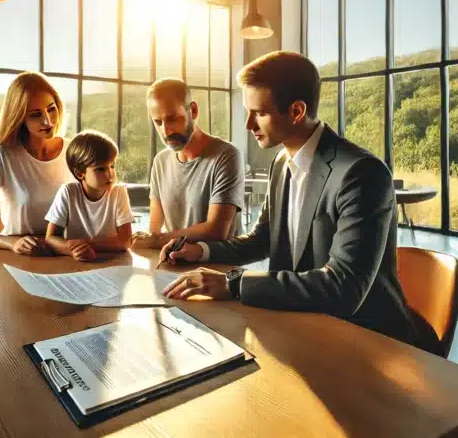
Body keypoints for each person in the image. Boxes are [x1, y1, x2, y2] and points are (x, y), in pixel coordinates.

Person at [159, 51, 417, 346]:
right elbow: (262, 240)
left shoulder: (361, 174)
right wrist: (201, 251)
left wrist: (232, 283)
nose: (248, 125)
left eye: (259, 113)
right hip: (299, 325)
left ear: (296, 111)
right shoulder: (281, 162)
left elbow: (343, 288)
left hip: (367, 340)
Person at [0, 72, 73, 255]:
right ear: (20, 117)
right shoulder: (2, 156)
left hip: (67, 256)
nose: (47, 121)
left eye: (51, 109)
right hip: (20, 259)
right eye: (35, 115)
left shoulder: (73, 151)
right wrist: (12, 243)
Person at [131, 78, 245, 250]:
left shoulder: (226, 156)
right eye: (158, 122)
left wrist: (157, 240)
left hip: (218, 270)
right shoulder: (160, 161)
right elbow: (155, 228)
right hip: (174, 263)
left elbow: (216, 231)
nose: (166, 131)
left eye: (172, 119)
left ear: (193, 110)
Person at [45, 130, 134, 262]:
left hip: (112, 262)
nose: (110, 175)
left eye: (112, 166)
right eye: (101, 169)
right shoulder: (68, 192)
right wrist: (73, 249)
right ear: (80, 173)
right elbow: (50, 238)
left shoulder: (119, 192)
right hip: (75, 262)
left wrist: (85, 245)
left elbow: (125, 241)